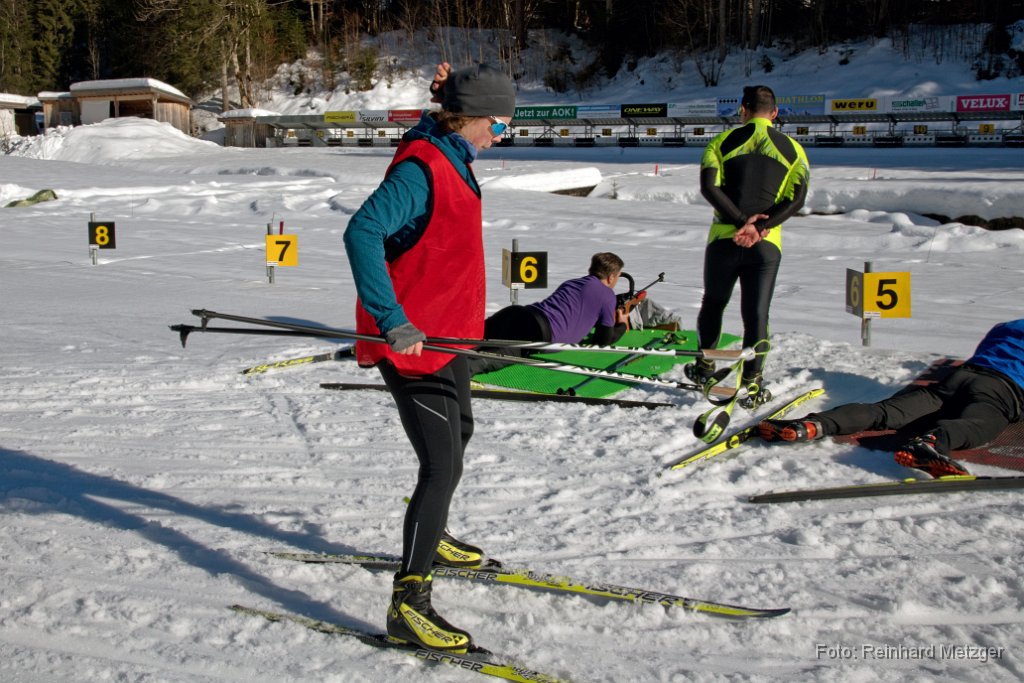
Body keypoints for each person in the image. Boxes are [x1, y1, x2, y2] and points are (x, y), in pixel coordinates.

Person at [343, 61, 515, 654]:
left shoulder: (442, 142)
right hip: (416, 343)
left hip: (447, 335)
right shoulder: (423, 167)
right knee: (441, 466)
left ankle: (432, 533)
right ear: (473, 119)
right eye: (498, 124)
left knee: (458, 435)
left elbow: (431, 129)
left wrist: (441, 98)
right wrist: (392, 321)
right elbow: (362, 231)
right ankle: (408, 604)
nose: (498, 136)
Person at [758, 319, 1024, 478]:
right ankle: (930, 444)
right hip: (1002, 389)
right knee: (980, 424)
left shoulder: (1006, 326)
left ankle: (809, 425)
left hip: (959, 378)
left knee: (886, 412)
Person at [687, 85, 810, 409]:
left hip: (723, 240)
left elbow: (708, 187)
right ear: (775, 113)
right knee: (756, 314)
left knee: (714, 304)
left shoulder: (720, 143)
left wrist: (741, 220)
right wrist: (760, 227)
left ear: (742, 110)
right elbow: (797, 199)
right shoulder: (794, 149)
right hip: (765, 245)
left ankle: (705, 368)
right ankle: (752, 383)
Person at [484, 252, 629, 346]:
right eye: (618, 276)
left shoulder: (572, 282)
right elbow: (602, 341)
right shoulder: (607, 295)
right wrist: (622, 325)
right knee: (497, 357)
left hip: (519, 312)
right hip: (539, 332)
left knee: (474, 334)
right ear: (611, 277)